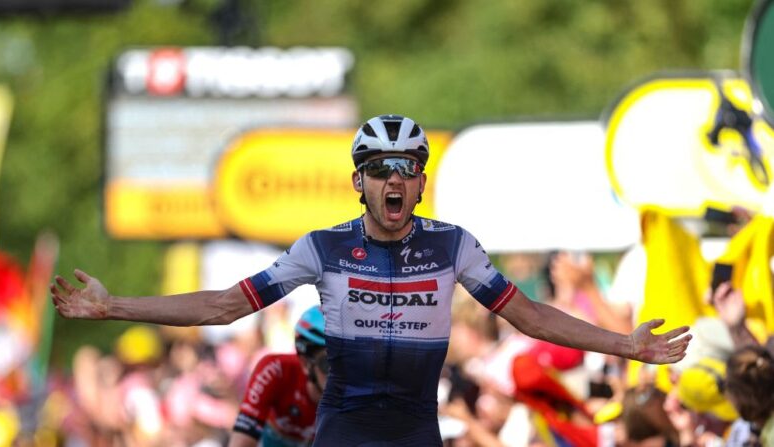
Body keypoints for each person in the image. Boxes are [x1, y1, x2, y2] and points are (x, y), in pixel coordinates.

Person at [51, 114, 692, 446]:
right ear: (359, 181)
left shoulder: (453, 245)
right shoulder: (322, 249)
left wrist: (625, 344)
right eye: (379, 168)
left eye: (407, 168)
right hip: (345, 429)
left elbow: (528, 315)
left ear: (418, 182)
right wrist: (116, 308)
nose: (393, 179)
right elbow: (224, 306)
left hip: (415, 428)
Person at [229, 305, 328, 447]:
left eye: (347, 360)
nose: (342, 371)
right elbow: (240, 443)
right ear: (306, 364)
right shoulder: (275, 370)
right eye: (328, 363)